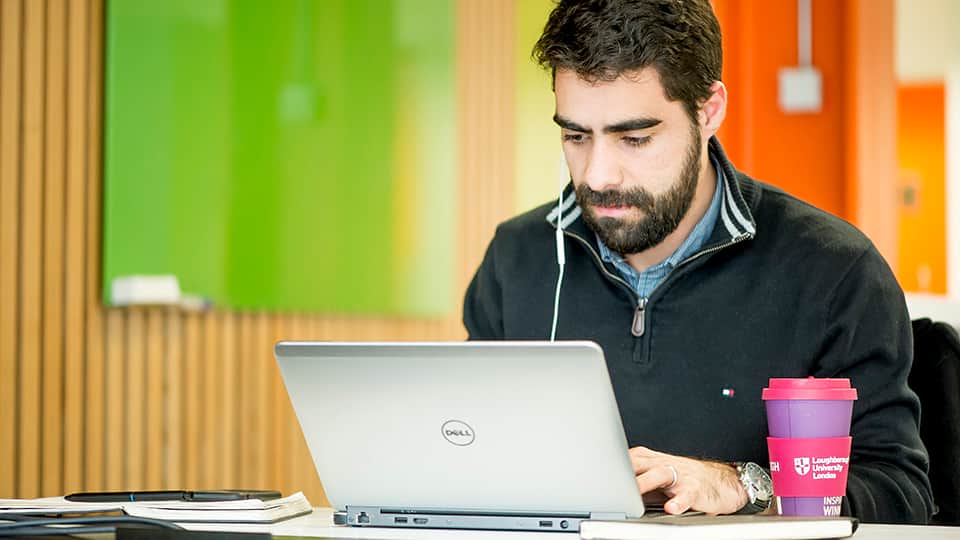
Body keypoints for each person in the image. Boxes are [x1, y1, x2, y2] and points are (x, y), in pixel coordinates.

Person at [463, 0, 933, 524]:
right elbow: (463, 454)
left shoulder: (834, 273)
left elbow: (901, 496)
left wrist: (745, 486)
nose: (597, 175)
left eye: (635, 138)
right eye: (575, 136)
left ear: (709, 110)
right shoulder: (517, 259)